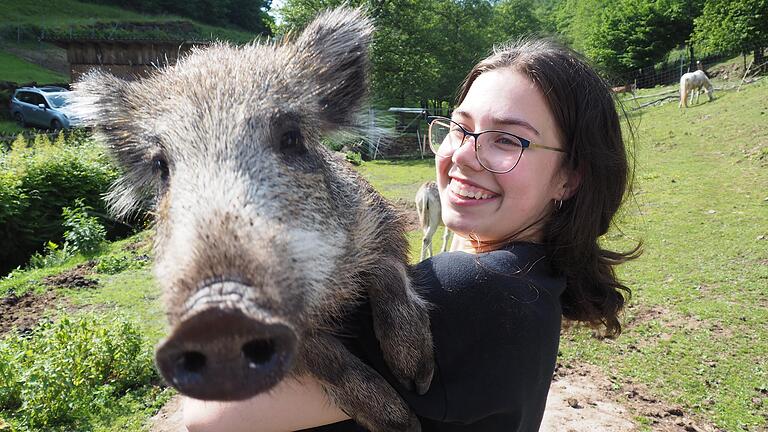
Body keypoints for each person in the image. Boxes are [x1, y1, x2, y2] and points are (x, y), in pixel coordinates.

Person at [183, 37, 640, 432]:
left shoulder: (472, 290)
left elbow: (209, 409)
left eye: (507, 140)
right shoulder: (536, 282)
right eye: (460, 128)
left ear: (569, 178)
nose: (462, 156)